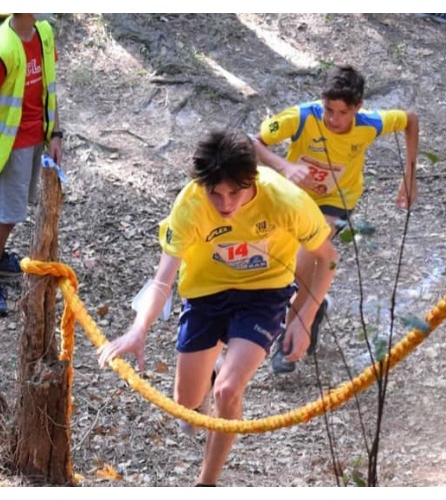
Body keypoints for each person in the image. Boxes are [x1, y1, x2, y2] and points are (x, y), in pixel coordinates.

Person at [97, 130, 337, 486]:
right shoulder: (191, 203)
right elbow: (162, 280)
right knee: (187, 401)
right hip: (205, 293)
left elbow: (328, 258)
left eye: (234, 193)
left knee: (228, 390)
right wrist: (138, 328)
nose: (225, 204)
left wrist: (304, 318)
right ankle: (212, 375)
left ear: (252, 180)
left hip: (264, 293)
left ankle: (206, 483)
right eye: (215, 194)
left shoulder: (286, 201)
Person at [253, 64, 419, 373]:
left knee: (304, 260)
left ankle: (287, 343)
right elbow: (254, 141)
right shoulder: (301, 117)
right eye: (329, 110)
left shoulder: (370, 123)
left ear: (358, 107)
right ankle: (314, 310)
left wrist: (409, 177)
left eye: (343, 112)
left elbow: (410, 119)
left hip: (336, 202)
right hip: (294, 200)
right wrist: (284, 167)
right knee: (291, 268)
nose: (334, 119)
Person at [0, 13, 63, 315]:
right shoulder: (1, 50)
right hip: (11, 148)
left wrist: (56, 134)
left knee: (16, 209)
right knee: (5, 216)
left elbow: (50, 88)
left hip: (36, 139)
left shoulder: (44, 34)